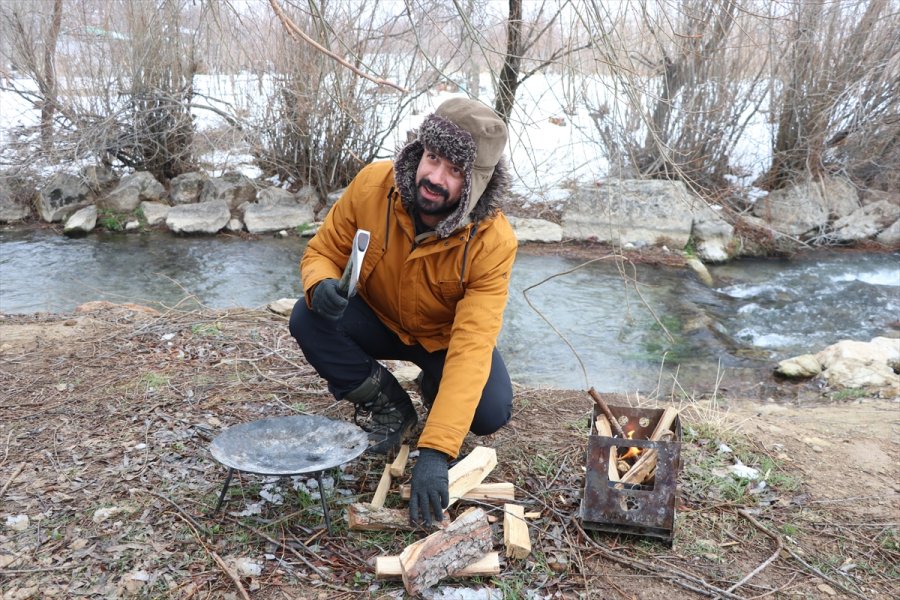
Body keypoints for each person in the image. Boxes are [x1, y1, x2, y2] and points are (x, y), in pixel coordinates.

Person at [289, 97, 517, 527]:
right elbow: (322, 250)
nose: (434, 177)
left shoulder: (494, 242)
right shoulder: (375, 184)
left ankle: (434, 387)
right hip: (377, 318)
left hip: (442, 342)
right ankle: (391, 406)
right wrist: (320, 284)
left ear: (477, 184)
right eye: (432, 158)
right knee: (307, 317)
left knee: (490, 412)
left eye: (454, 171)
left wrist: (436, 450)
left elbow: (472, 346)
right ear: (421, 150)